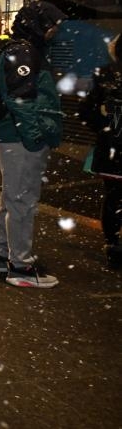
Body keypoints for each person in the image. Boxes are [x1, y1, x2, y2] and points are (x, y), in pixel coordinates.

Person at [0, 0, 66, 288]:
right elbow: (20, 99)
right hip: (20, 136)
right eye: (52, 26)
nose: (54, 32)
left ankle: (1, 254)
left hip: (15, 134)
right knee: (22, 200)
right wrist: (34, 136)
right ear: (38, 24)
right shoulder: (23, 51)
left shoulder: (26, 49)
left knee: (13, 196)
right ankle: (21, 267)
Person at [80, 34, 122, 268]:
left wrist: (107, 129)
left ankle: (113, 245)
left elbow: (86, 109)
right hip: (113, 144)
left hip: (113, 148)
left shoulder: (105, 73)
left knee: (114, 197)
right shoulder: (105, 74)